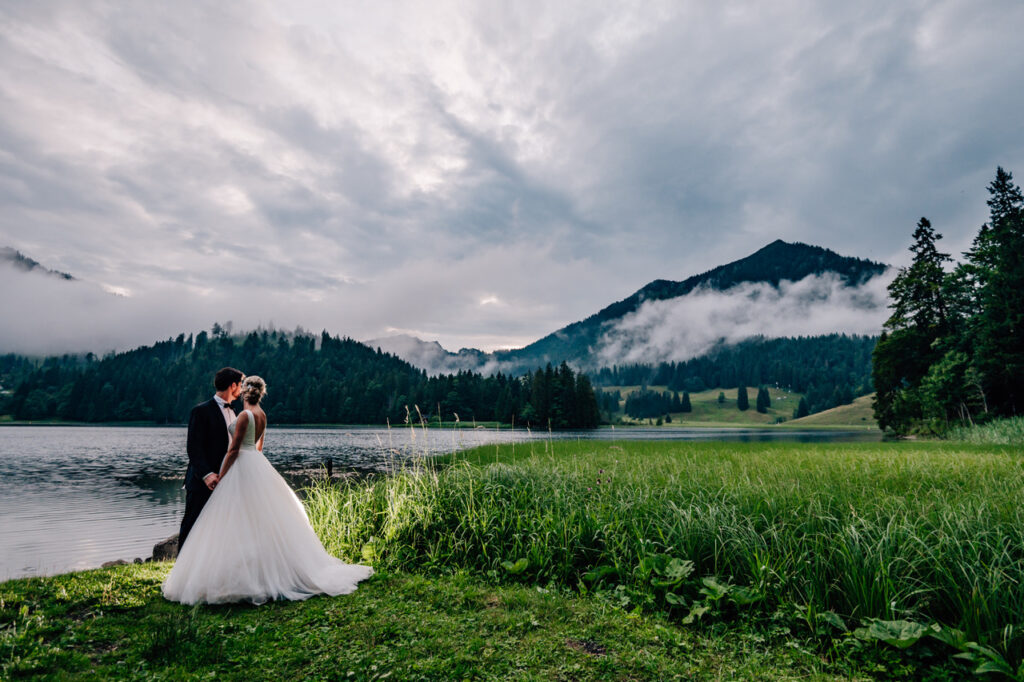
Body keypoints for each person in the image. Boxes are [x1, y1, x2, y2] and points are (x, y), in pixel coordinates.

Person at [163, 375, 373, 604]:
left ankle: (242, 573)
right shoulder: (262, 415)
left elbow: (233, 450)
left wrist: (222, 477)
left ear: (244, 392)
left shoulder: (244, 415)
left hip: (241, 465)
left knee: (234, 519)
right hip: (257, 464)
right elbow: (259, 447)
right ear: (261, 393)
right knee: (257, 519)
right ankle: (259, 569)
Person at [178, 367, 244, 550]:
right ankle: (181, 566)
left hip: (225, 480)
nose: (241, 389)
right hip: (201, 481)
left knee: (220, 527)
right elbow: (193, 447)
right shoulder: (201, 411)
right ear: (232, 386)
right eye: (240, 385)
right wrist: (207, 475)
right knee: (192, 524)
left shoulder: (234, 412)